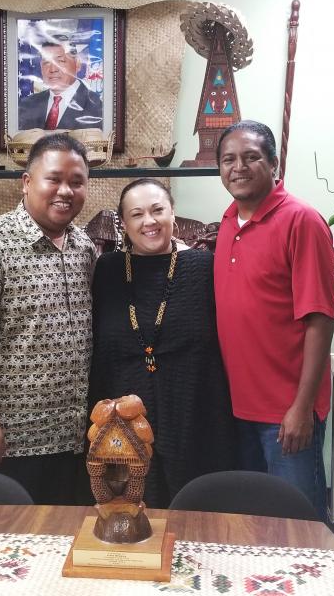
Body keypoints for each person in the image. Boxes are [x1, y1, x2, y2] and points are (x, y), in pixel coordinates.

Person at [0, 134, 97, 504]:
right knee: (10, 545)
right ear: (26, 182)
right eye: (53, 179)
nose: (66, 191)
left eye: (77, 182)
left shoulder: (83, 247)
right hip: (8, 437)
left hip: (70, 433)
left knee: (61, 539)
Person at [213, 120, 334, 521]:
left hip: (286, 413)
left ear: (273, 163)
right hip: (239, 410)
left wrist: (301, 408)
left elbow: (320, 319)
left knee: (301, 523)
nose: (239, 167)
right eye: (229, 159)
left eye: (251, 157)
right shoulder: (229, 221)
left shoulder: (302, 221)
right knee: (255, 522)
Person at [89, 178, 235, 508]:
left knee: (197, 514)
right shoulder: (107, 270)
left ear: (173, 213)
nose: (149, 222)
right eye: (136, 214)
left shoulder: (202, 267)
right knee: (129, 512)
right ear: (124, 224)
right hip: (123, 417)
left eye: (157, 210)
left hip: (194, 411)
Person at [18, 40, 103, 131]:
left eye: (61, 61)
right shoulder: (26, 105)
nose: (53, 69)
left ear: (77, 63)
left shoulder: (98, 107)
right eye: (47, 62)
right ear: (41, 66)